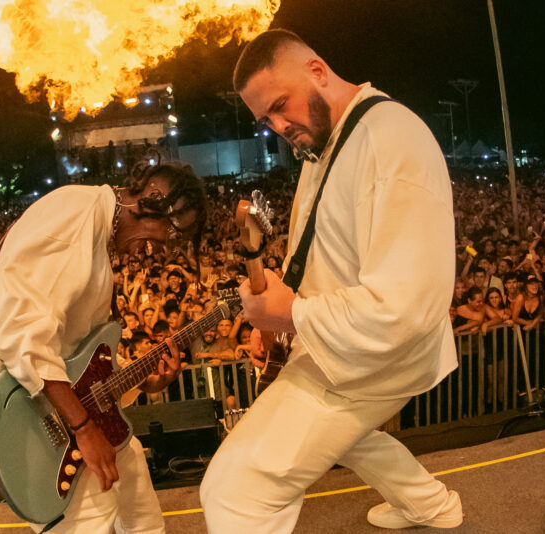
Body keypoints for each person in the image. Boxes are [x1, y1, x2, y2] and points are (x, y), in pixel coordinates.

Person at [200, 29, 462, 531]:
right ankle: (430, 505)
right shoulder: (330, 141)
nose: (279, 125)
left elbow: (404, 310)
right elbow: (323, 258)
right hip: (341, 341)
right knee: (345, 434)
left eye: (281, 105)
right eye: (266, 119)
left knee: (233, 491)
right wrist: (280, 324)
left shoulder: (389, 139)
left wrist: (290, 314)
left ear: (317, 71)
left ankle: (428, 504)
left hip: (374, 356)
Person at [0, 162, 207, 533]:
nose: (164, 245)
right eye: (171, 229)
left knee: (138, 504)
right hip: (18, 402)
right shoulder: (73, 221)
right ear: (151, 200)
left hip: (51, 397)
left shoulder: (96, 235)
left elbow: (83, 358)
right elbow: (22, 339)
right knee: (89, 518)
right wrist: (83, 428)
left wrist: (146, 383)